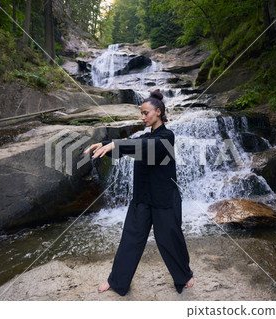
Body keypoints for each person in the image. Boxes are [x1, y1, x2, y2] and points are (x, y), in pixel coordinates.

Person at [83, 89, 194, 296]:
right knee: (130, 239)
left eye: (146, 113)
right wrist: (107, 144)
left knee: (170, 239)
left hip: (163, 199)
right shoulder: (145, 136)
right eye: (141, 114)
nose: (142, 117)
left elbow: (146, 146)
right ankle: (117, 281)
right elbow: (136, 147)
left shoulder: (167, 137)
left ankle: (184, 275)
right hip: (142, 198)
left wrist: (116, 143)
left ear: (158, 112)